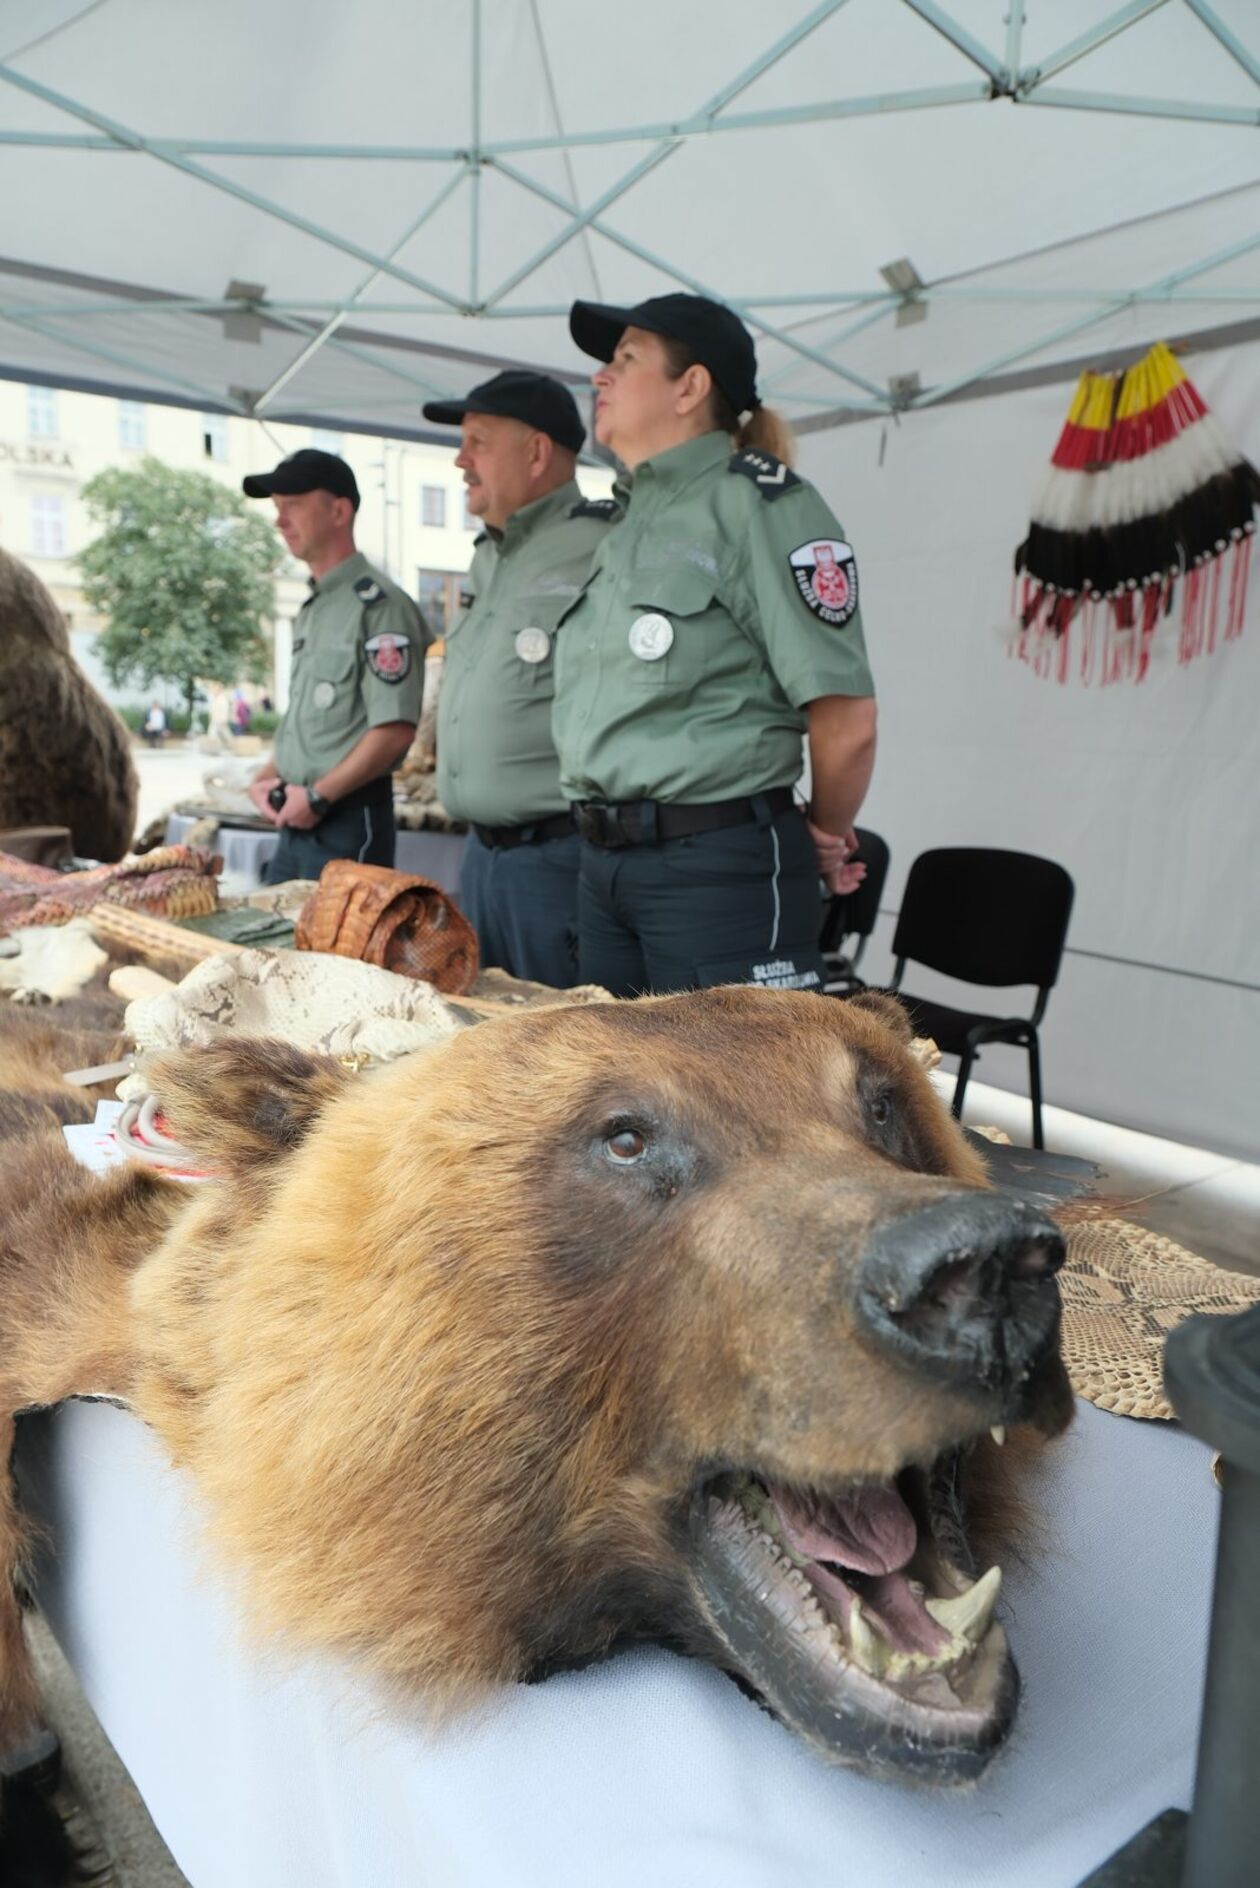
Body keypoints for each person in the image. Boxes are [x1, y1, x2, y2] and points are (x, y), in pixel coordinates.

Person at [554, 292, 877, 998]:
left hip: (713, 868)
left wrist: (824, 830)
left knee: (737, 1104)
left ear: (690, 387)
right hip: (604, 865)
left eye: (626, 360)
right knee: (617, 1097)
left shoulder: (759, 504)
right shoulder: (631, 520)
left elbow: (846, 721)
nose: (600, 377)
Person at [421, 371, 617, 987]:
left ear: (537, 453)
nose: (460, 460)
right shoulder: (489, 554)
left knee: (560, 1054)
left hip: (556, 858)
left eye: (478, 441)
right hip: (481, 856)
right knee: (484, 1039)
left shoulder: (602, 544)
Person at [241, 449, 427, 883]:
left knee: (339, 949)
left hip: (345, 819)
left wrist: (320, 797)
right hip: (300, 817)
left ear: (339, 510)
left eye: (293, 505)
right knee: (278, 945)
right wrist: (267, 776)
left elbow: (395, 728)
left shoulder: (381, 608)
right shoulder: (316, 606)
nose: (280, 521)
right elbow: (318, 724)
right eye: (277, 508)